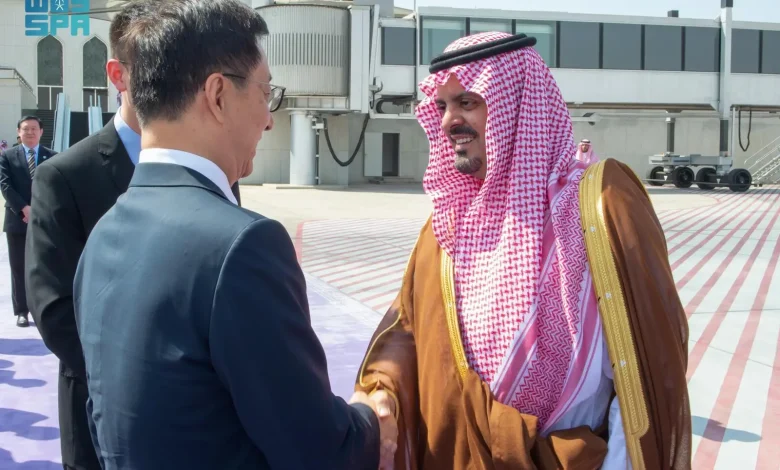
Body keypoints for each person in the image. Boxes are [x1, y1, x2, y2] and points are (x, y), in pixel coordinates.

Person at [73, 1, 395, 469]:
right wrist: (372, 418)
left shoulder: (105, 232)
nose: (269, 118)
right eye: (266, 93)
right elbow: (318, 449)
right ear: (219, 95)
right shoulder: (242, 246)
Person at [354, 32, 691, 469]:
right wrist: (381, 393)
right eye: (442, 106)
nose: (449, 121)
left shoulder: (599, 204)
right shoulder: (446, 226)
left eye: (467, 102)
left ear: (517, 104)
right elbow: (408, 330)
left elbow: (646, 367)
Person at [0, 116, 56, 327]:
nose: (30, 132)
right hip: (17, 220)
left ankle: (43, 309)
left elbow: (55, 187)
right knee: (18, 268)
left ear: (41, 132)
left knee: (45, 266)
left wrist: (38, 210)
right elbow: (5, 185)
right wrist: (24, 208)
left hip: (44, 221)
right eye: (26, 129)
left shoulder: (53, 157)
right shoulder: (7, 156)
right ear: (18, 132)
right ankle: (22, 311)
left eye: (34, 129)